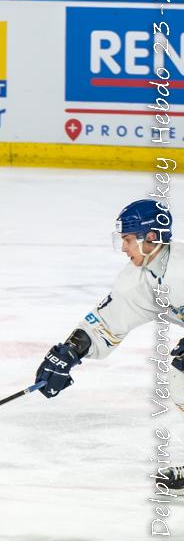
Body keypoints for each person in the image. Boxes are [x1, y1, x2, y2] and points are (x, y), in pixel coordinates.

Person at [34, 199, 184, 487]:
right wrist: (69, 352)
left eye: (128, 239)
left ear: (151, 237)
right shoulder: (138, 281)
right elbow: (106, 323)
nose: (124, 248)